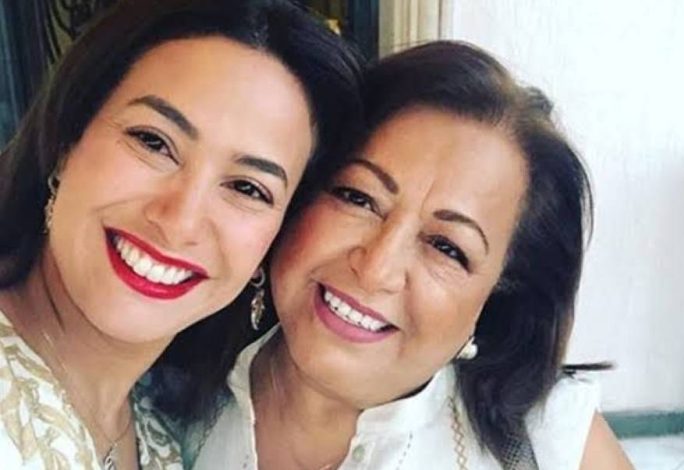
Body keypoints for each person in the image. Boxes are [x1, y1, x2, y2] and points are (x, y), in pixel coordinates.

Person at [174, 41, 633, 469]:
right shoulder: (163, 394)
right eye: (358, 198)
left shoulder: (551, 442)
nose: (376, 269)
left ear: (499, 294)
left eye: (447, 248)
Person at [0, 0, 362, 468]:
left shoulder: (167, 431)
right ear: (68, 140)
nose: (179, 221)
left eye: (247, 188)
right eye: (153, 142)